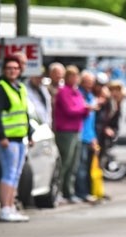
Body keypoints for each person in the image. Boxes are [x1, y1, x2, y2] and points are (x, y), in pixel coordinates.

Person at [0, 55, 33, 222]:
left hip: (19, 137)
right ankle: (5, 208)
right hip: (6, 138)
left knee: (16, 173)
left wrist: (29, 133)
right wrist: (2, 136)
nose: (12, 71)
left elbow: (24, 113)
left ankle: (11, 206)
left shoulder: (20, 87)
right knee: (9, 173)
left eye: (15, 68)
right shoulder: (0, 88)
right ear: (4, 70)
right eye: (9, 68)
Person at [53, 65, 89, 204]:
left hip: (77, 129)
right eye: (71, 76)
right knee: (65, 162)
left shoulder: (77, 92)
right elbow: (70, 110)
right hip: (65, 131)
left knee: (74, 164)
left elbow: (81, 110)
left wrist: (84, 109)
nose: (74, 79)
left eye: (76, 76)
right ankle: (58, 191)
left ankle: (69, 191)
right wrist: (84, 108)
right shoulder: (63, 92)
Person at [75, 70, 99, 203]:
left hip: (89, 136)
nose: (89, 85)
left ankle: (88, 191)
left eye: (91, 82)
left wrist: (93, 137)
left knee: (88, 166)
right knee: (81, 167)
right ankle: (81, 192)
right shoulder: (80, 95)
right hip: (81, 135)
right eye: (87, 82)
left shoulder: (90, 95)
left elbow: (91, 121)